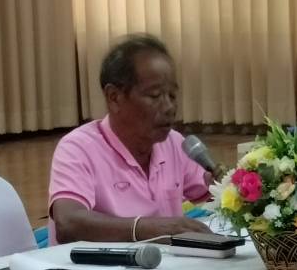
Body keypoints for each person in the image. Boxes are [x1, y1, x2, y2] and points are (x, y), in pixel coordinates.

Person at [49, 34, 213, 244]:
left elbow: (214, 194)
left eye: (172, 96)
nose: (169, 107)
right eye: (154, 96)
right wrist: (147, 228)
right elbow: (69, 224)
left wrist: (236, 187)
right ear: (114, 97)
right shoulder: (78, 149)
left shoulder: (173, 143)